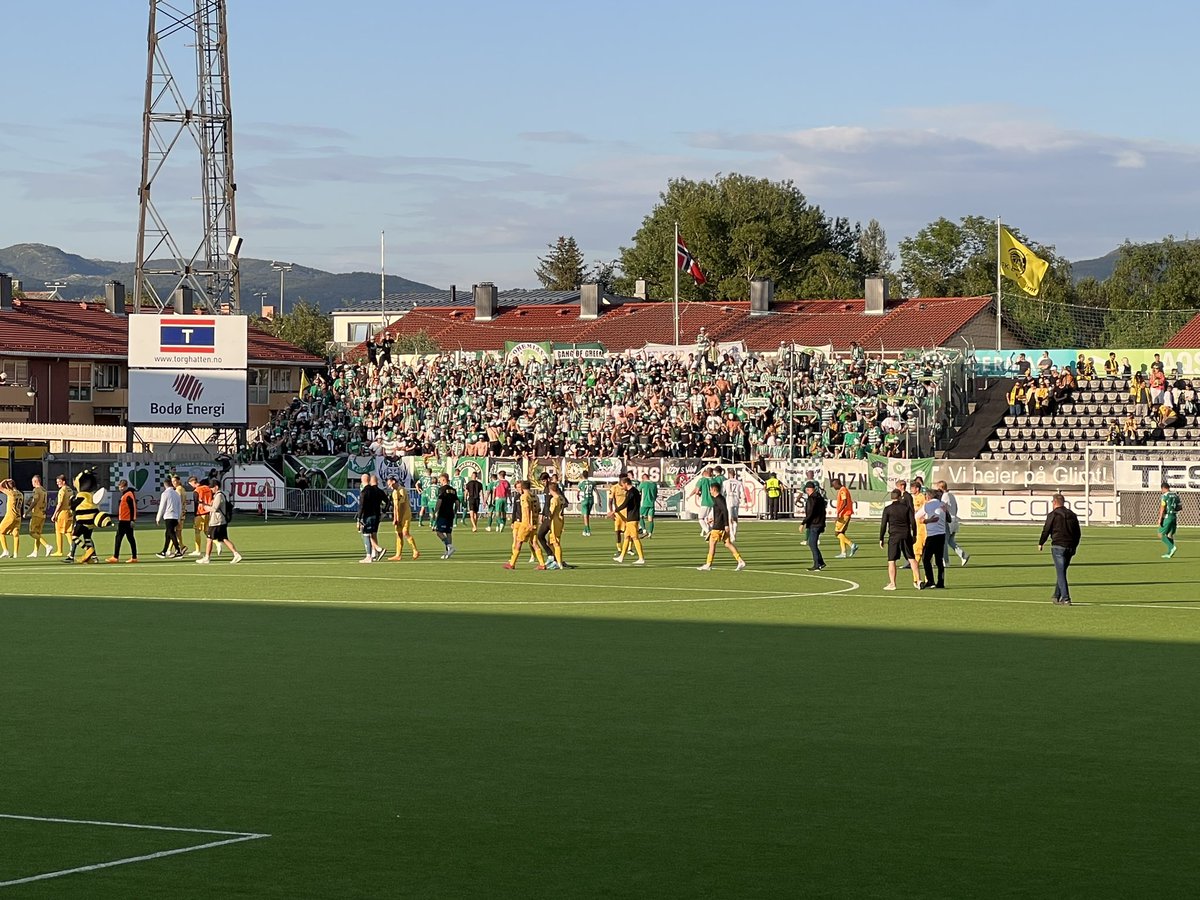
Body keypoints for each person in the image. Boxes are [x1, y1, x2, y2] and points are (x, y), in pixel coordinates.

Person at [1038, 493, 1080, 605]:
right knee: (1062, 571)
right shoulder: (1072, 515)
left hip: (1058, 546)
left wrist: (1041, 542)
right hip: (1070, 547)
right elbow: (1078, 533)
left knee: (1061, 573)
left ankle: (1066, 598)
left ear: (1055, 502)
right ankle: (1056, 595)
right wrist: (1075, 546)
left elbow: (1046, 529)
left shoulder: (1053, 514)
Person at [697, 481, 746, 571]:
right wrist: (714, 519)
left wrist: (726, 525)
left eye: (711, 490)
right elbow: (720, 512)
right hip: (720, 525)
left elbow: (725, 511)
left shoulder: (719, 499)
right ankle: (740, 561)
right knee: (728, 544)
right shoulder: (719, 499)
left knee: (712, 545)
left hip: (718, 527)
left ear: (714, 489)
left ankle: (708, 564)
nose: (710, 492)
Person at [879, 488, 921, 590]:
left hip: (894, 536)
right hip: (906, 535)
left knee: (891, 560)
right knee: (911, 558)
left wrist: (881, 538)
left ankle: (893, 583)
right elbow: (913, 522)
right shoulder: (906, 508)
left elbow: (883, 525)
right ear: (899, 497)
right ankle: (919, 580)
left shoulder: (887, 509)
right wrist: (914, 534)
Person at [196, 481, 243, 564]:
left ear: (216, 487)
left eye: (212, 487)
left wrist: (204, 507)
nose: (211, 489)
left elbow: (214, 509)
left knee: (209, 539)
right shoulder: (219, 495)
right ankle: (236, 554)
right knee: (224, 539)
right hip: (220, 521)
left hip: (216, 521)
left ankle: (207, 557)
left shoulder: (219, 495)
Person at [504, 480, 546, 570]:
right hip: (534, 524)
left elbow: (526, 509)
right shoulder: (535, 496)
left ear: (522, 488)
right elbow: (538, 509)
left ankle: (512, 563)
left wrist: (528, 523)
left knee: (518, 542)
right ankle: (542, 564)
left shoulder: (524, 496)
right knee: (534, 543)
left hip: (526, 524)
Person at [917, 488, 948, 589]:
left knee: (926, 559)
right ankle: (941, 581)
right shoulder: (942, 504)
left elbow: (917, 516)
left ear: (928, 496)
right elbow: (948, 519)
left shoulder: (928, 505)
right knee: (939, 560)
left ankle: (930, 580)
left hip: (932, 535)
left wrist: (925, 521)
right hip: (942, 535)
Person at [612, 476, 646, 565]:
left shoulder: (631, 492)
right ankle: (621, 557)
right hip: (632, 516)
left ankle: (641, 558)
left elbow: (625, 504)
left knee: (635, 537)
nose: (622, 487)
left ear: (626, 484)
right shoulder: (635, 491)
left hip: (632, 517)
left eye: (622, 485)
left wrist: (614, 511)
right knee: (626, 537)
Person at [354, 472, 387, 563]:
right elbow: (387, 501)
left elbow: (361, 506)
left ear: (362, 481)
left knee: (365, 534)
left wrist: (358, 519)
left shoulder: (364, 492)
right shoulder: (376, 490)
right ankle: (374, 553)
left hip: (367, 516)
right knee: (373, 534)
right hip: (376, 515)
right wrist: (383, 512)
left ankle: (375, 552)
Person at [935, 479, 969, 566]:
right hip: (954, 520)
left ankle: (945, 561)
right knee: (950, 541)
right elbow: (956, 507)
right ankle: (963, 555)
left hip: (948, 521)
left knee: (944, 542)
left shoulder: (944, 496)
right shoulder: (952, 495)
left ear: (941, 488)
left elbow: (942, 507)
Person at [387, 475, 420, 560]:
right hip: (398, 516)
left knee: (405, 533)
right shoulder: (394, 492)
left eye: (390, 484)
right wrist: (395, 518)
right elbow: (395, 507)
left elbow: (401, 505)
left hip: (405, 514)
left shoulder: (401, 490)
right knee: (399, 534)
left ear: (394, 482)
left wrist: (398, 517)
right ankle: (398, 555)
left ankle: (415, 551)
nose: (389, 486)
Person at [108, 479, 138, 563]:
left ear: (125, 487)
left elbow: (132, 508)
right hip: (125, 520)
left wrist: (132, 520)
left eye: (122, 487)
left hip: (125, 520)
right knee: (130, 538)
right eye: (120, 487)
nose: (120, 488)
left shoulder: (128, 495)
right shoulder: (127, 494)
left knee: (118, 538)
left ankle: (115, 557)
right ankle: (134, 557)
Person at [154, 476, 184, 559]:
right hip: (175, 516)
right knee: (168, 534)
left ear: (165, 485)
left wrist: (158, 517)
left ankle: (178, 550)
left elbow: (162, 506)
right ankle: (164, 551)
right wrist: (178, 517)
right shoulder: (176, 494)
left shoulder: (165, 494)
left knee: (171, 533)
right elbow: (179, 506)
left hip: (168, 516)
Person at [801, 481, 827, 571]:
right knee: (813, 543)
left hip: (815, 524)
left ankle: (817, 564)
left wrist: (803, 523)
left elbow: (810, 513)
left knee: (812, 544)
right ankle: (821, 562)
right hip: (820, 523)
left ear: (807, 489)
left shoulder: (812, 499)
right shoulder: (819, 497)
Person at [433, 473, 459, 559]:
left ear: (444, 479)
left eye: (440, 479)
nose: (439, 481)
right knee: (448, 532)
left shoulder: (442, 489)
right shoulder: (453, 490)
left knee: (438, 532)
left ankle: (449, 546)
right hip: (450, 513)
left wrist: (435, 511)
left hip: (443, 513)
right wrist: (455, 511)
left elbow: (439, 501)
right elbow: (457, 502)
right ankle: (448, 552)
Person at [831, 477, 858, 559]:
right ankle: (843, 552)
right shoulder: (843, 490)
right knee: (842, 533)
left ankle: (851, 544)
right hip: (846, 514)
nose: (833, 487)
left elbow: (845, 502)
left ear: (837, 483)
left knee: (837, 533)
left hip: (844, 514)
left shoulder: (843, 490)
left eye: (833, 485)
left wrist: (839, 512)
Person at [25, 474, 51, 557]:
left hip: (36, 513)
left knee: (32, 532)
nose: (32, 483)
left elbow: (35, 500)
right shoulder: (44, 490)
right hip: (42, 513)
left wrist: (28, 511)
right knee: (38, 533)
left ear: (36, 481)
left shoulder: (36, 489)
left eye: (33, 481)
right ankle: (35, 552)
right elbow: (46, 502)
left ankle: (47, 546)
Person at [544, 481, 568, 570]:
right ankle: (557, 560)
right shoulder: (561, 498)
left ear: (550, 490)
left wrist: (547, 520)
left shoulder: (554, 499)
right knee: (550, 542)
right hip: (560, 521)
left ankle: (559, 563)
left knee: (555, 543)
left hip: (554, 522)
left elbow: (551, 511)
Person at [188, 476, 214, 556]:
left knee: (197, 531)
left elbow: (196, 503)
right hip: (208, 511)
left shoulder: (197, 490)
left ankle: (198, 550)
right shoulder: (207, 488)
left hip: (200, 512)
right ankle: (217, 542)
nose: (191, 486)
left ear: (193, 482)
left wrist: (195, 514)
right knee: (207, 531)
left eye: (191, 484)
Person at [0, 479, 23, 558]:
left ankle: (5, 550)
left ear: (8, 486)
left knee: (0, 532)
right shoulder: (20, 494)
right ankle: (16, 553)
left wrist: (5, 480)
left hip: (10, 516)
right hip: (18, 517)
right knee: (15, 534)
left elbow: (0, 487)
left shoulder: (11, 493)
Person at [1159, 481, 1182, 559]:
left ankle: (1172, 547)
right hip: (1174, 516)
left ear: (1163, 488)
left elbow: (1162, 508)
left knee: (1160, 534)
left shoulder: (1164, 496)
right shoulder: (1176, 495)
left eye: (1161, 489)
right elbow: (1179, 507)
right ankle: (1169, 553)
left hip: (1167, 517)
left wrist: (1160, 518)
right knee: (1169, 534)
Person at [52, 474, 73, 557]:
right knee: (68, 531)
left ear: (63, 482)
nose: (57, 484)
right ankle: (72, 548)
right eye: (57, 482)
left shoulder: (62, 490)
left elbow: (59, 503)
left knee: (58, 531)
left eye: (59, 482)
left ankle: (59, 550)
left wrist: (54, 514)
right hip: (69, 512)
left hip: (62, 513)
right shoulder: (70, 489)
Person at [691, 466, 714, 536]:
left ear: (706, 472)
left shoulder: (702, 480)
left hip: (705, 502)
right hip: (714, 503)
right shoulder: (714, 480)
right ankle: (710, 534)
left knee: (700, 518)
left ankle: (707, 531)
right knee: (710, 520)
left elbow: (697, 491)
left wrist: (699, 493)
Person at [638, 473, 658, 537]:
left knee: (640, 516)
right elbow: (655, 494)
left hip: (644, 503)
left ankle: (644, 530)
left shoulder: (643, 483)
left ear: (643, 478)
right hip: (652, 503)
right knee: (650, 519)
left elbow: (638, 490)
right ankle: (650, 533)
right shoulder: (654, 484)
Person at [577, 471, 596, 536]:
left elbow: (578, 492)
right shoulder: (592, 483)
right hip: (591, 500)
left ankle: (588, 530)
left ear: (582, 475)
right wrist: (599, 500)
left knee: (585, 515)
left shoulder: (581, 483)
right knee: (587, 515)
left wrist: (578, 497)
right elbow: (596, 491)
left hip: (584, 500)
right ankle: (585, 530)